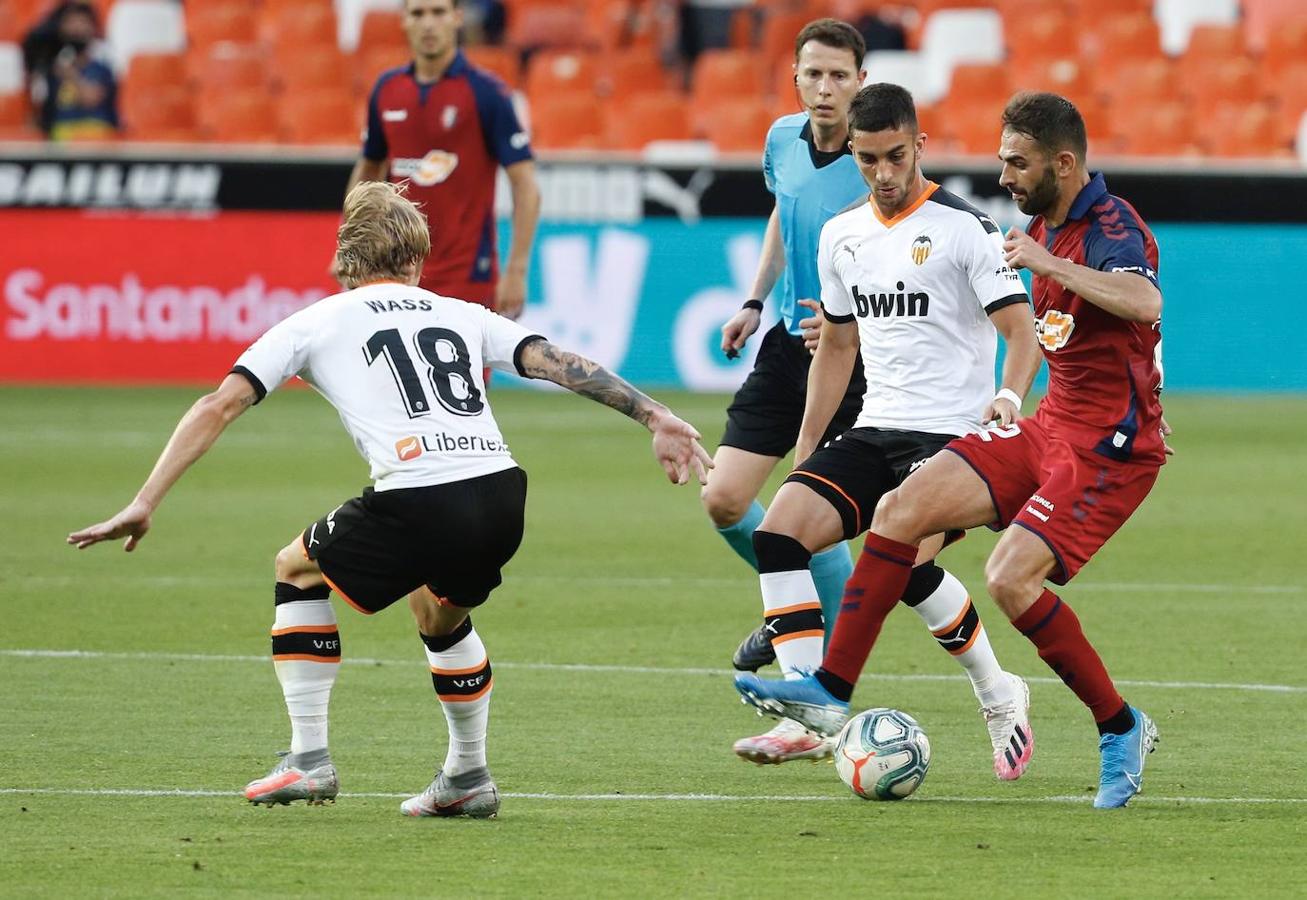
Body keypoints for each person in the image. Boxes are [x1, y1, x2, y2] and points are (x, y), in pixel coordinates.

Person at [67, 181, 711, 818]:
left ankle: (308, 760)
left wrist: (146, 499)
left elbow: (221, 404)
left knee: (295, 567)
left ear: (345, 260)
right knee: (437, 615)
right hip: (500, 494)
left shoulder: (315, 321)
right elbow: (555, 361)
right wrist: (654, 416)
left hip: (419, 495)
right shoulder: (463, 312)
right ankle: (468, 775)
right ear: (416, 260)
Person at [735, 92, 1167, 809]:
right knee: (900, 512)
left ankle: (1120, 726)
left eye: (1016, 163)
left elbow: (1142, 303)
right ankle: (826, 690)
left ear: (1062, 162)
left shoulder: (1109, 226)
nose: (1003, 176)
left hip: (1107, 448)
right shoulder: (1040, 223)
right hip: (1049, 424)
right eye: (1002, 161)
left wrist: (1047, 269)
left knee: (1008, 579)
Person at [709, 24, 1032, 773]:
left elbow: (1020, 334)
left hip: (955, 440)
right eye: (867, 160)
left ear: (919, 144)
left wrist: (1008, 397)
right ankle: (805, 706)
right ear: (850, 155)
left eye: (895, 156)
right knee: (780, 532)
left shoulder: (966, 229)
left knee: (891, 559)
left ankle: (996, 691)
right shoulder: (842, 237)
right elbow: (839, 348)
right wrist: (807, 451)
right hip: (877, 427)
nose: (882, 173)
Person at [345, 0, 539, 321]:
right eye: (418, 13)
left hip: (466, 275)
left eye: (438, 12)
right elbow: (369, 169)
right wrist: (350, 241)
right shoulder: (387, 90)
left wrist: (516, 270)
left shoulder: (487, 94)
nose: (429, 23)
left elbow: (526, 185)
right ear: (404, 21)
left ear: (457, 18)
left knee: (463, 371)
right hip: (396, 271)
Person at [22, 2, 118, 140]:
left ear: (93, 28)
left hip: (96, 141)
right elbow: (39, 110)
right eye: (71, 22)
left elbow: (91, 98)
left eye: (82, 22)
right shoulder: (52, 70)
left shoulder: (103, 67)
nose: (76, 28)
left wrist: (70, 75)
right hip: (60, 143)